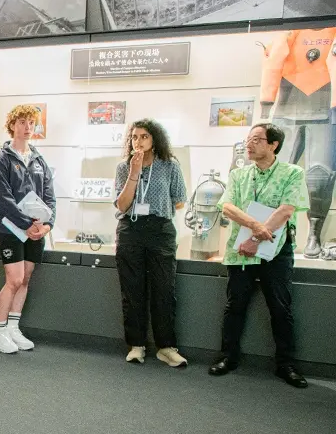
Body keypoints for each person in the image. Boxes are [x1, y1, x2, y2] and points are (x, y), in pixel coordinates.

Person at [210, 123, 311, 388]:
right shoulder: (239, 175)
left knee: (280, 308)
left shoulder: (292, 173)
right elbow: (228, 206)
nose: (249, 144)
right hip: (241, 250)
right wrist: (255, 228)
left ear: (273, 144)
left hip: (276, 251)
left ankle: (286, 364)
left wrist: (256, 237)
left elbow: (287, 210)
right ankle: (228, 357)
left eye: (257, 139)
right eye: (248, 139)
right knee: (234, 306)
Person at [113, 119, 189, 367]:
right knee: (132, 290)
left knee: (164, 290)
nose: (139, 141)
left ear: (155, 140)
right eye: (134, 137)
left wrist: (157, 206)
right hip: (131, 228)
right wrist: (134, 173)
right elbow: (122, 205)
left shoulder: (169, 166)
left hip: (160, 229)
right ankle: (136, 345)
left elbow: (179, 201)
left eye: (144, 136)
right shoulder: (124, 167)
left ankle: (166, 347)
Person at [0, 104, 56, 354]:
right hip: (11, 230)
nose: (27, 127)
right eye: (22, 122)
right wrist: (26, 225)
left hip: (36, 231)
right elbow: (2, 197)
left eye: (31, 123)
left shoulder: (39, 159)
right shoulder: (2, 159)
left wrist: (47, 225)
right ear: (12, 125)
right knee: (14, 279)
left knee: (26, 279)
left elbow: (50, 196)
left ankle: (14, 328)